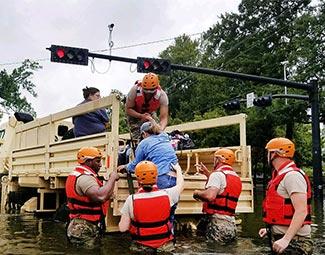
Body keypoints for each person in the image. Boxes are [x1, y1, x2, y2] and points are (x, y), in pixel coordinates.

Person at [258, 138, 313, 254]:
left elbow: (301, 211)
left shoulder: (292, 176)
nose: (267, 156)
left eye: (269, 152)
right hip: (284, 239)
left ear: (275, 154)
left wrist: (286, 239)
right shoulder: (282, 175)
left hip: (294, 243)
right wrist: (270, 229)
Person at [119, 160, 184, 253]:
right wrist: (178, 170)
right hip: (165, 246)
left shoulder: (131, 199)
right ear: (156, 177)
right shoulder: (168, 194)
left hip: (142, 247)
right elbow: (181, 185)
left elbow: (123, 228)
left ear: (138, 179)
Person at [65, 147, 119, 247]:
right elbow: (101, 196)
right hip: (82, 227)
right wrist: (112, 178)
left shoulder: (79, 174)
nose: (100, 165)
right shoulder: (85, 178)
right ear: (88, 162)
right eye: (97, 161)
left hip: (82, 224)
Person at [193, 148, 242, 244]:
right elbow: (223, 188)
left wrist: (197, 193)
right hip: (230, 223)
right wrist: (208, 174)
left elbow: (210, 196)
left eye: (215, 159)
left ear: (219, 159)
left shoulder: (217, 175)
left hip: (217, 223)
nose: (213, 161)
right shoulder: (235, 177)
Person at [117, 119, 178, 190]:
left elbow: (137, 165)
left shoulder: (143, 143)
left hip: (161, 177)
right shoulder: (164, 137)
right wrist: (151, 120)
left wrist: (125, 167)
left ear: (144, 133)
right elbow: (160, 130)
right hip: (175, 177)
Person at [125, 73, 169, 141]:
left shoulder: (162, 96)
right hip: (134, 113)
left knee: (155, 133)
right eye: (146, 92)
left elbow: (164, 117)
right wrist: (141, 116)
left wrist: (160, 129)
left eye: (151, 92)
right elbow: (128, 109)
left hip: (150, 113)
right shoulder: (134, 90)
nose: (148, 94)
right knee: (138, 137)